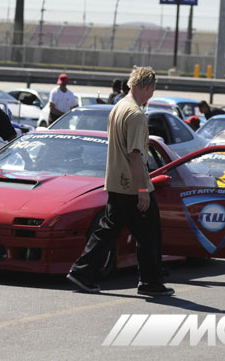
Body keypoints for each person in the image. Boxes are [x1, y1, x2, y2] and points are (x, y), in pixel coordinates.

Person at [67, 66, 174, 297]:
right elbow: (135, 155)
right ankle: (150, 282)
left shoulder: (118, 107)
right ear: (146, 87)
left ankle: (83, 271)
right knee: (150, 234)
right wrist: (143, 189)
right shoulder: (135, 114)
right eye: (152, 91)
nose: (151, 96)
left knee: (109, 228)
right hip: (132, 184)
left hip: (116, 181)